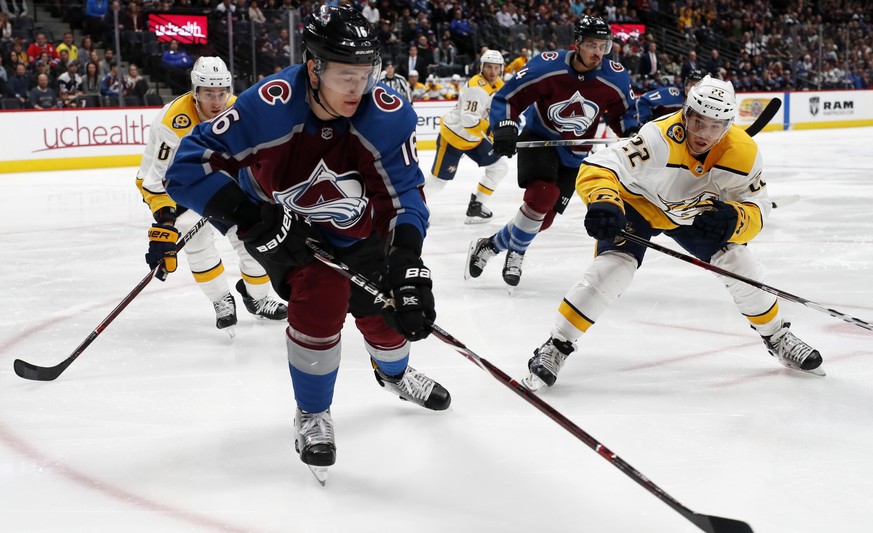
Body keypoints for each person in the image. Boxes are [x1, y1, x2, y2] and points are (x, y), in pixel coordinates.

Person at [163, 5, 451, 480]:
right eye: (344, 75)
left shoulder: (387, 115)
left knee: (388, 315)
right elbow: (188, 166)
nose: (358, 89)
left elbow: (404, 196)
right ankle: (312, 414)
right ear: (314, 67)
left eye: (365, 74)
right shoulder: (268, 105)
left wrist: (406, 261)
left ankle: (394, 374)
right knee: (321, 301)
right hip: (286, 233)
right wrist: (250, 218)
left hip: (362, 233)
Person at [521, 75, 824, 391]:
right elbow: (599, 167)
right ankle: (557, 345)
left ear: (728, 125)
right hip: (639, 203)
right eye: (698, 122)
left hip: (692, 211)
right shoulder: (658, 137)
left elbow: (759, 206)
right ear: (686, 113)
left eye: (714, 126)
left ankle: (776, 336)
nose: (703, 135)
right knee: (614, 268)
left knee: (739, 260)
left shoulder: (744, 153)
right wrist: (604, 201)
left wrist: (736, 219)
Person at [466, 16, 638, 287]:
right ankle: (518, 252)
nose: (598, 53)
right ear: (577, 44)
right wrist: (505, 125)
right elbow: (508, 97)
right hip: (541, 138)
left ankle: (489, 246)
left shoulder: (614, 75)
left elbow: (624, 113)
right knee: (542, 195)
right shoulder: (547, 65)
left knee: (542, 220)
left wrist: (632, 134)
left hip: (576, 151)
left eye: (603, 46)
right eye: (592, 45)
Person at [136, 56, 288, 335]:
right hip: (177, 186)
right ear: (195, 92)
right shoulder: (174, 123)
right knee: (198, 245)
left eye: (222, 93)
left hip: (220, 180)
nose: (216, 101)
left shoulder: (238, 109)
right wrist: (166, 224)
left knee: (253, 239)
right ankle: (221, 300)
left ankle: (258, 297)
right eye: (208, 94)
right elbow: (158, 180)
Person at [424, 49, 508, 224]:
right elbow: (470, 122)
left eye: (496, 68)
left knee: (499, 167)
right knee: (438, 182)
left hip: (474, 139)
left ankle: (476, 206)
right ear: (481, 68)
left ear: (501, 68)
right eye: (489, 67)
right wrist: (495, 134)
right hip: (454, 137)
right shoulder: (477, 88)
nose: (492, 72)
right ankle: (412, 206)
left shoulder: (499, 83)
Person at [636, 68, 705, 125]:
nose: (693, 89)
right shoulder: (673, 94)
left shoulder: (705, 107)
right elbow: (643, 100)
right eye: (691, 85)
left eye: (698, 86)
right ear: (685, 85)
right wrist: (644, 125)